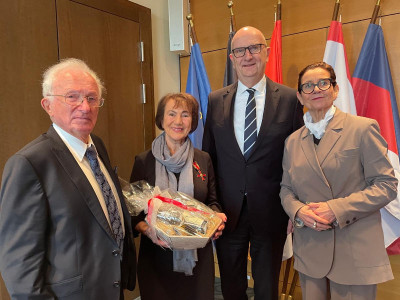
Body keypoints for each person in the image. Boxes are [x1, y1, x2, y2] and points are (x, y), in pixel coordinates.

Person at [0, 58, 136, 299]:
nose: (85, 107)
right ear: (48, 105)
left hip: (111, 289)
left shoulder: (97, 146)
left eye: (92, 98)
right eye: (72, 97)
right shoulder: (29, 164)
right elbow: (20, 266)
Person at [280, 61, 397, 300]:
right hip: (311, 247)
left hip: (353, 246)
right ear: (300, 97)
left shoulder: (362, 129)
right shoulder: (292, 141)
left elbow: (386, 186)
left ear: (335, 90)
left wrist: (336, 209)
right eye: (308, 86)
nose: (316, 89)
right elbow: (286, 189)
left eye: (323, 83)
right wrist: (298, 211)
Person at [202, 26, 304, 300]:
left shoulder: (289, 99)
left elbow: (298, 159)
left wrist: (294, 207)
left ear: (266, 52)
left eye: (254, 48)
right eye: (239, 50)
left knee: (267, 285)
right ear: (231, 58)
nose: (247, 56)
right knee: (231, 284)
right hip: (227, 212)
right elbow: (208, 157)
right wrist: (209, 206)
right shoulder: (215, 100)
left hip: (272, 210)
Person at [130, 92, 226, 300]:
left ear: (192, 121)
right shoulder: (143, 161)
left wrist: (217, 218)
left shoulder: (203, 159)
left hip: (197, 257)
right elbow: (133, 215)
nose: (178, 121)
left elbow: (213, 201)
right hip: (157, 257)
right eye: (172, 114)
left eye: (185, 114)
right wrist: (149, 232)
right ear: (161, 119)